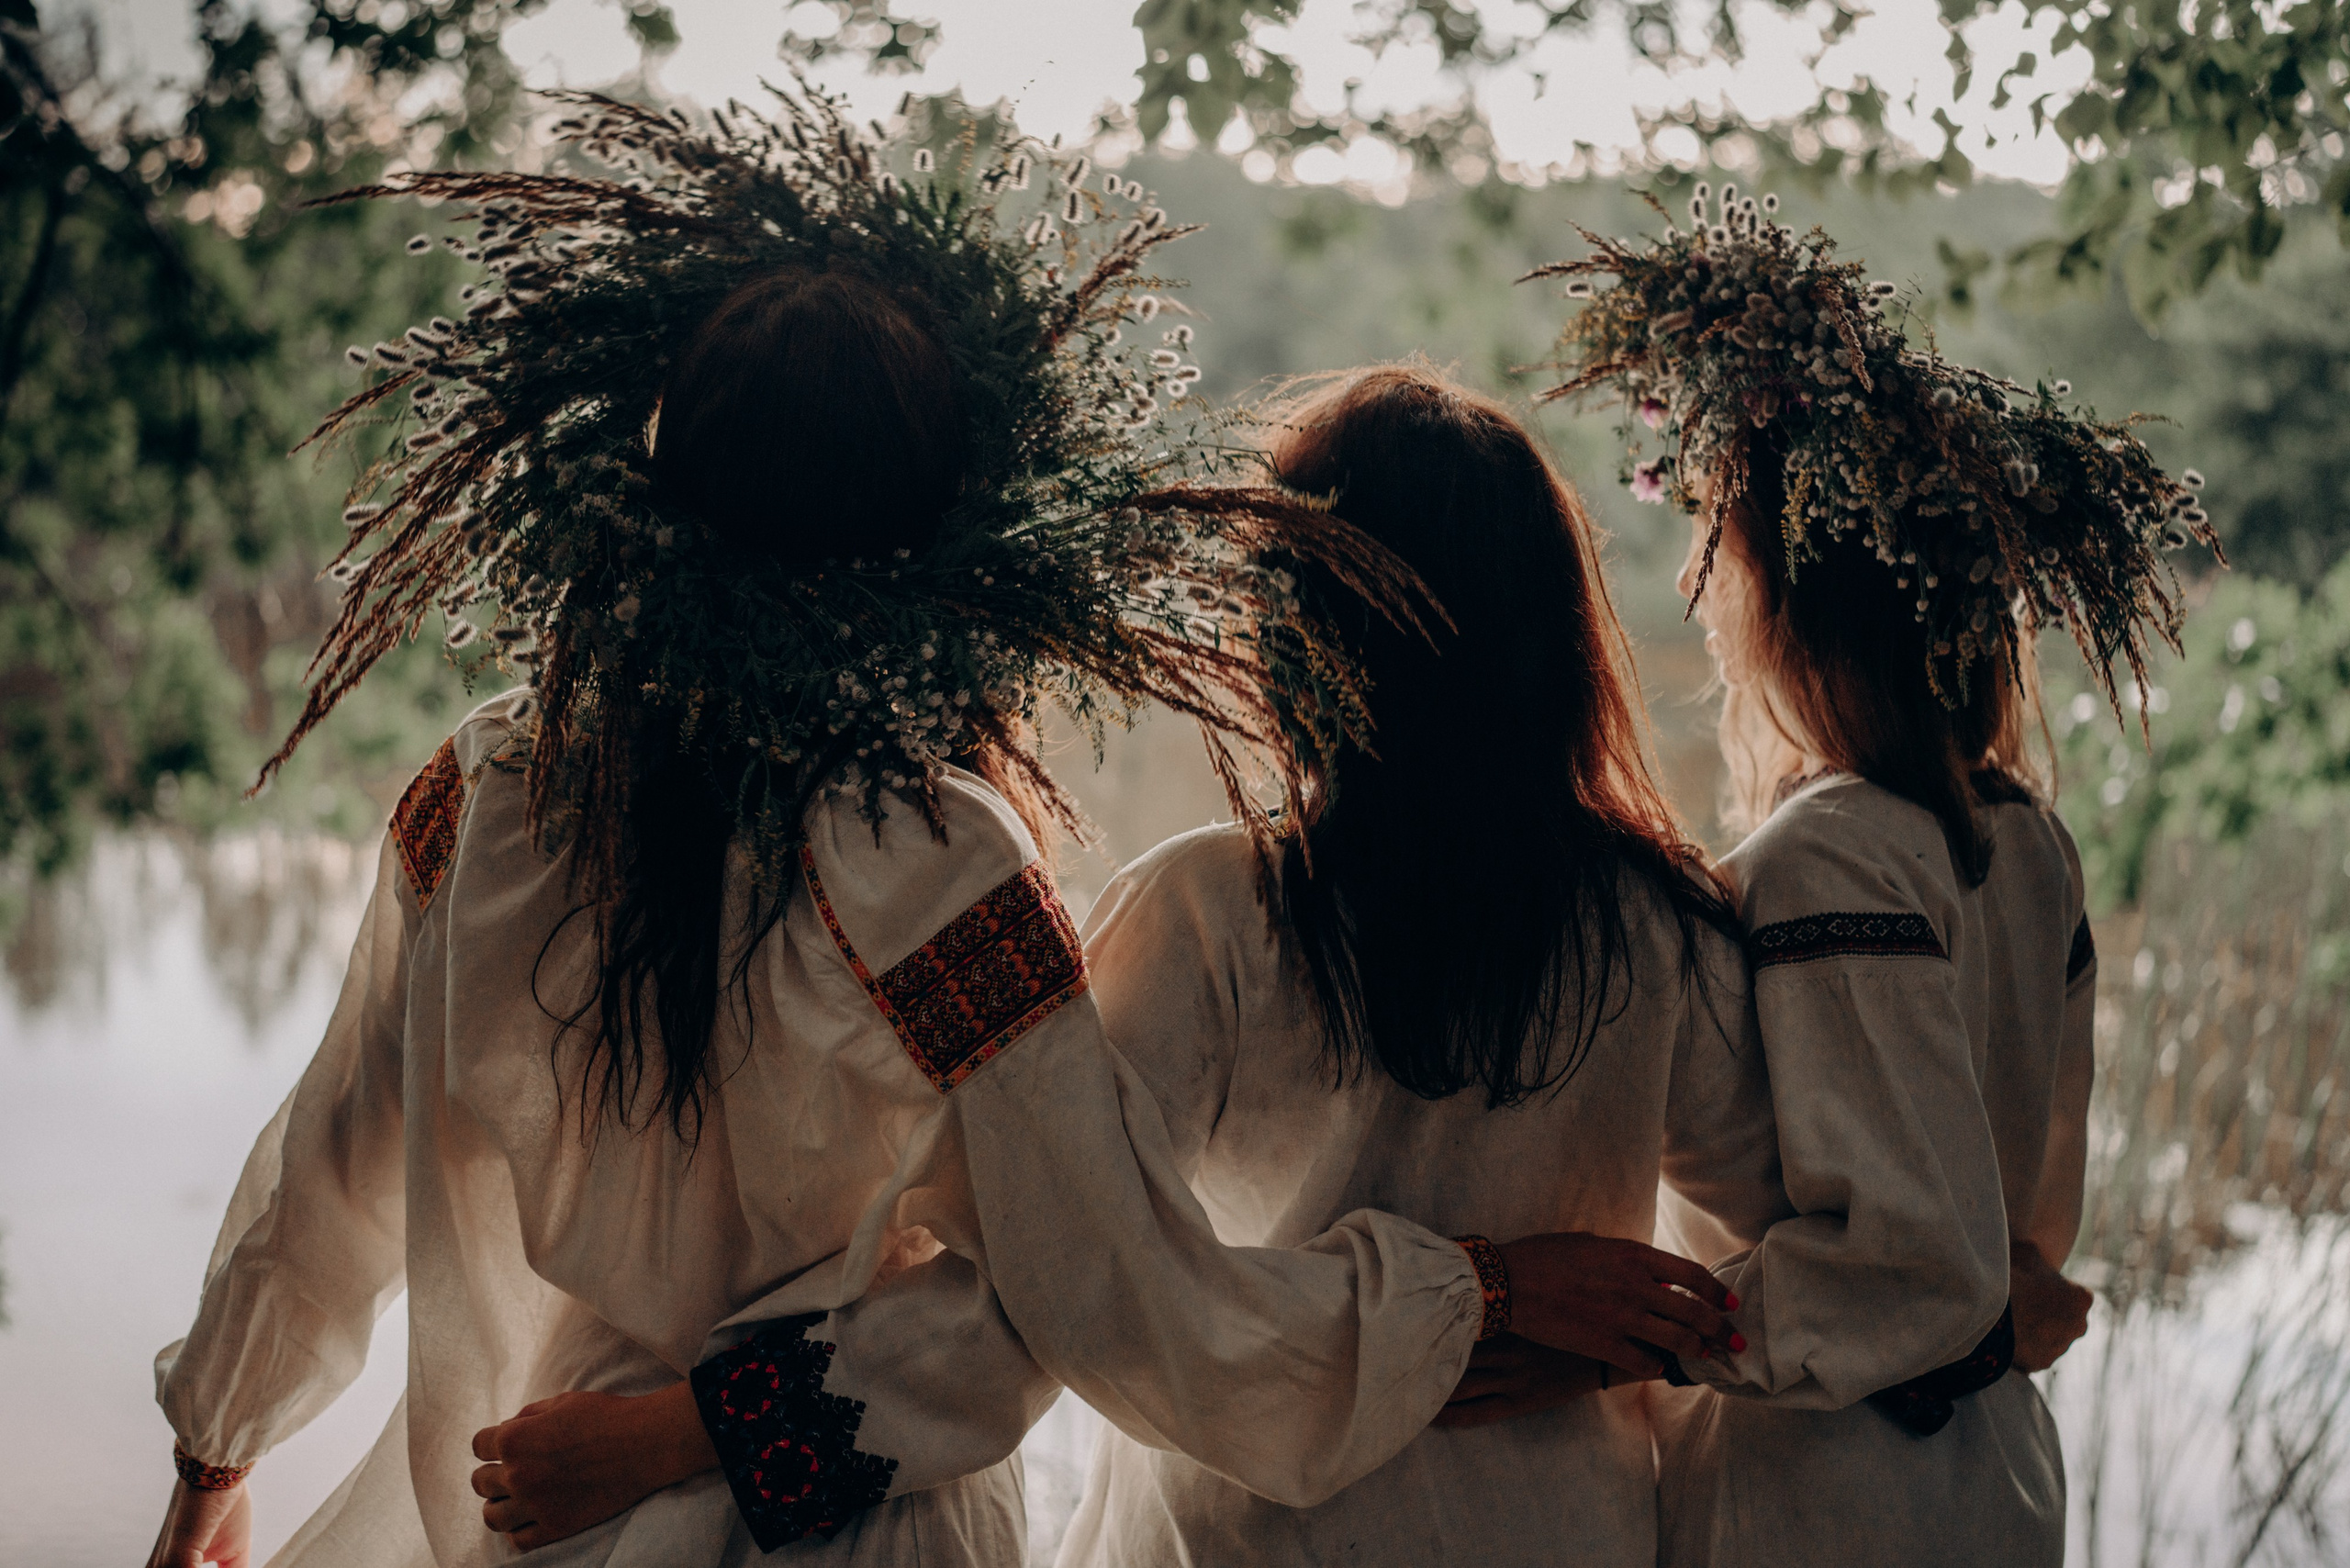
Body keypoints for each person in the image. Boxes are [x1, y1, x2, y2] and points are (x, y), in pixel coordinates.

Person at [143, 96, 1729, 1568]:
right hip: (846, 1525)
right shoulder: (936, 864)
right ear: (934, 552)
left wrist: (217, 1449)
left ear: (654, 495)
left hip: (552, 1497)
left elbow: (329, 1164)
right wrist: (1486, 1292)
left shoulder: (482, 793)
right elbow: (1073, 1299)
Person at [464, 363, 1785, 1568]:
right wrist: (1552, 1328)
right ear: (1554, 629)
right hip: (1560, 1532)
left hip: (1250, 1538)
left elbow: (1070, 1298)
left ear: (1302, 631)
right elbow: (1778, 1279)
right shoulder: (1670, 923)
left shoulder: (1214, 911)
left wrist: (684, 1437)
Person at [1515, 182, 2210, 1566]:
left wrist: (1621, 1341)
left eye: (1724, 548)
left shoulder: (1833, 852)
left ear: (1785, 596)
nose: (1704, 594)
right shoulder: (2025, 839)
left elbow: (1914, 1263)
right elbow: (2015, 1242)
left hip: (1834, 1490)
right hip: (1994, 1466)